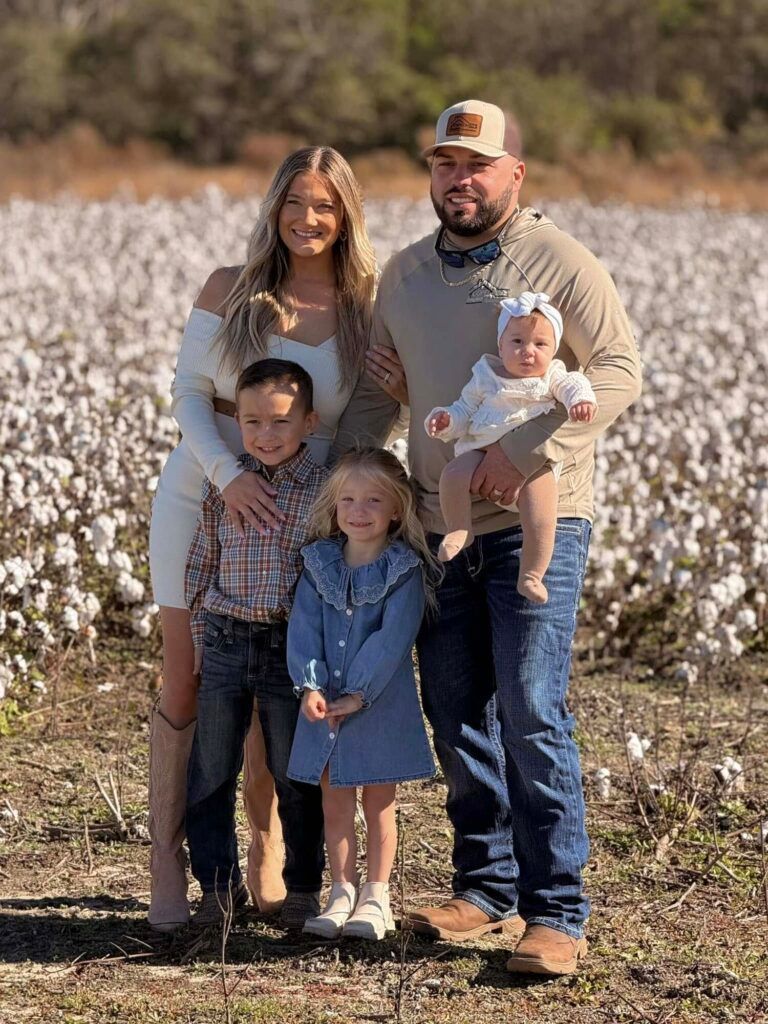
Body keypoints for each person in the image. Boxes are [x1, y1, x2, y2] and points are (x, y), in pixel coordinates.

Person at [331, 99, 642, 975]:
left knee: (532, 708)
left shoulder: (561, 260)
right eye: (443, 165)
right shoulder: (405, 275)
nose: (458, 180)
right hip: (438, 525)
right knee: (455, 709)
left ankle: (557, 913)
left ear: (514, 174)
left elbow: (619, 369)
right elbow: (377, 393)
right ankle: (486, 887)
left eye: (476, 165)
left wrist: (522, 448)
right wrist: (334, 477)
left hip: (540, 523)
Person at [147, 146, 381, 931]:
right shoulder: (230, 288)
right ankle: (170, 867)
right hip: (202, 494)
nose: (307, 220)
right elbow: (186, 393)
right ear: (275, 207)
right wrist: (227, 476)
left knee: (285, 691)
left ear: (345, 214)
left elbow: (370, 423)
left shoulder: (365, 307)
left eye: (324, 206)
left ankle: (267, 854)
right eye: (294, 203)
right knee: (190, 680)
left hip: (301, 517)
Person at [184, 358, 327, 926]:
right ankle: (217, 889)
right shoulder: (227, 484)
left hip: (288, 647)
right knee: (211, 771)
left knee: (295, 776)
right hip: (223, 638)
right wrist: (198, 639)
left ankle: (302, 889)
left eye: (279, 422)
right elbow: (201, 562)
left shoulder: (323, 491)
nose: (265, 435)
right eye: (252, 422)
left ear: (310, 423)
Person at [285, 448, 440, 940]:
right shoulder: (318, 563)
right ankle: (341, 892)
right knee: (335, 806)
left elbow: (391, 640)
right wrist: (309, 683)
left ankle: (377, 896)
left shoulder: (403, 569)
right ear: (334, 508)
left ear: (397, 509)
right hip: (326, 705)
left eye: (373, 499)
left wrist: (358, 693)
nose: (359, 510)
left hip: (376, 708)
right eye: (348, 499)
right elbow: (303, 627)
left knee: (378, 805)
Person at [426, 291, 597, 604]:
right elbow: (464, 409)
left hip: (533, 462)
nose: (527, 352)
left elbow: (575, 384)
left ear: (554, 348)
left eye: (540, 344)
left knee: (544, 509)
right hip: (480, 447)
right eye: (517, 342)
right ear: (501, 345)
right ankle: (459, 528)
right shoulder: (486, 374)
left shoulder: (552, 376)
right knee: (452, 474)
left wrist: (581, 401)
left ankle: (532, 573)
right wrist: (446, 419)